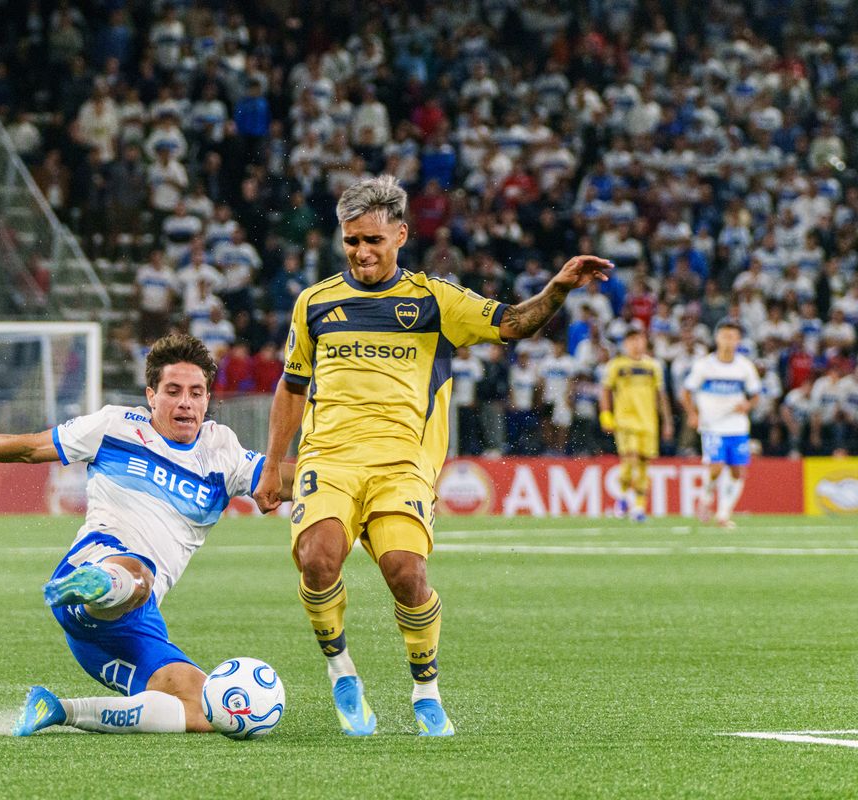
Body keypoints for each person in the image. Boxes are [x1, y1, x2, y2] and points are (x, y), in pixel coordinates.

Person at [253, 175, 611, 737]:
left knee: (406, 573)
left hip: (404, 463)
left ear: (400, 235)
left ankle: (425, 689)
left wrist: (559, 287)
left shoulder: (434, 300)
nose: (361, 252)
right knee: (317, 559)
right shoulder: (315, 303)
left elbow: (513, 323)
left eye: (373, 240)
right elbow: (292, 386)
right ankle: (342, 673)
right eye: (351, 241)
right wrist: (275, 464)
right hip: (330, 458)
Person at [0, 333, 294, 735]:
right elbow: (29, 448)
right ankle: (98, 584)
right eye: (173, 391)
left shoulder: (222, 451)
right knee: (138, 574)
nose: (186, 402)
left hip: (127, 629)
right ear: (151, 396)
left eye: (196, 393)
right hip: (98, 565)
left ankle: (58, 710)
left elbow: (286, 479)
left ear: (207, 399)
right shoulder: (115, 426)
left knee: (208, 712)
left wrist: (335, 480)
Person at [680, 320, 762, 528]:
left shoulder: (744, 366)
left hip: (737, 425)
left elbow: (755, 394)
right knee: (716, 467)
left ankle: (724, 514)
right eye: (724, 336)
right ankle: (706, 498)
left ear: (738, 340)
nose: (728, 341)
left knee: (737, 471)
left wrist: (748, 404)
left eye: (732, 337)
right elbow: (686, 391)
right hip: (712, 425)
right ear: (717, 338)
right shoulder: (704, 365)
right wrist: (692, 414)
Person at [598, 325, 674, 522]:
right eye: (632, 340)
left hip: (648, 422)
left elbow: (661, 395)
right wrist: (605, 415)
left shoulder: (653, 366)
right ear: (625, 343)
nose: (636, 344)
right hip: (625, 420)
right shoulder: (616, 365)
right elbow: (605, 391)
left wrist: (667, 422)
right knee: (630, 458)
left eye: (639, 339)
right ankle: (623, 499)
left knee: (643, 465)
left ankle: (638, 507)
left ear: (645, 342)